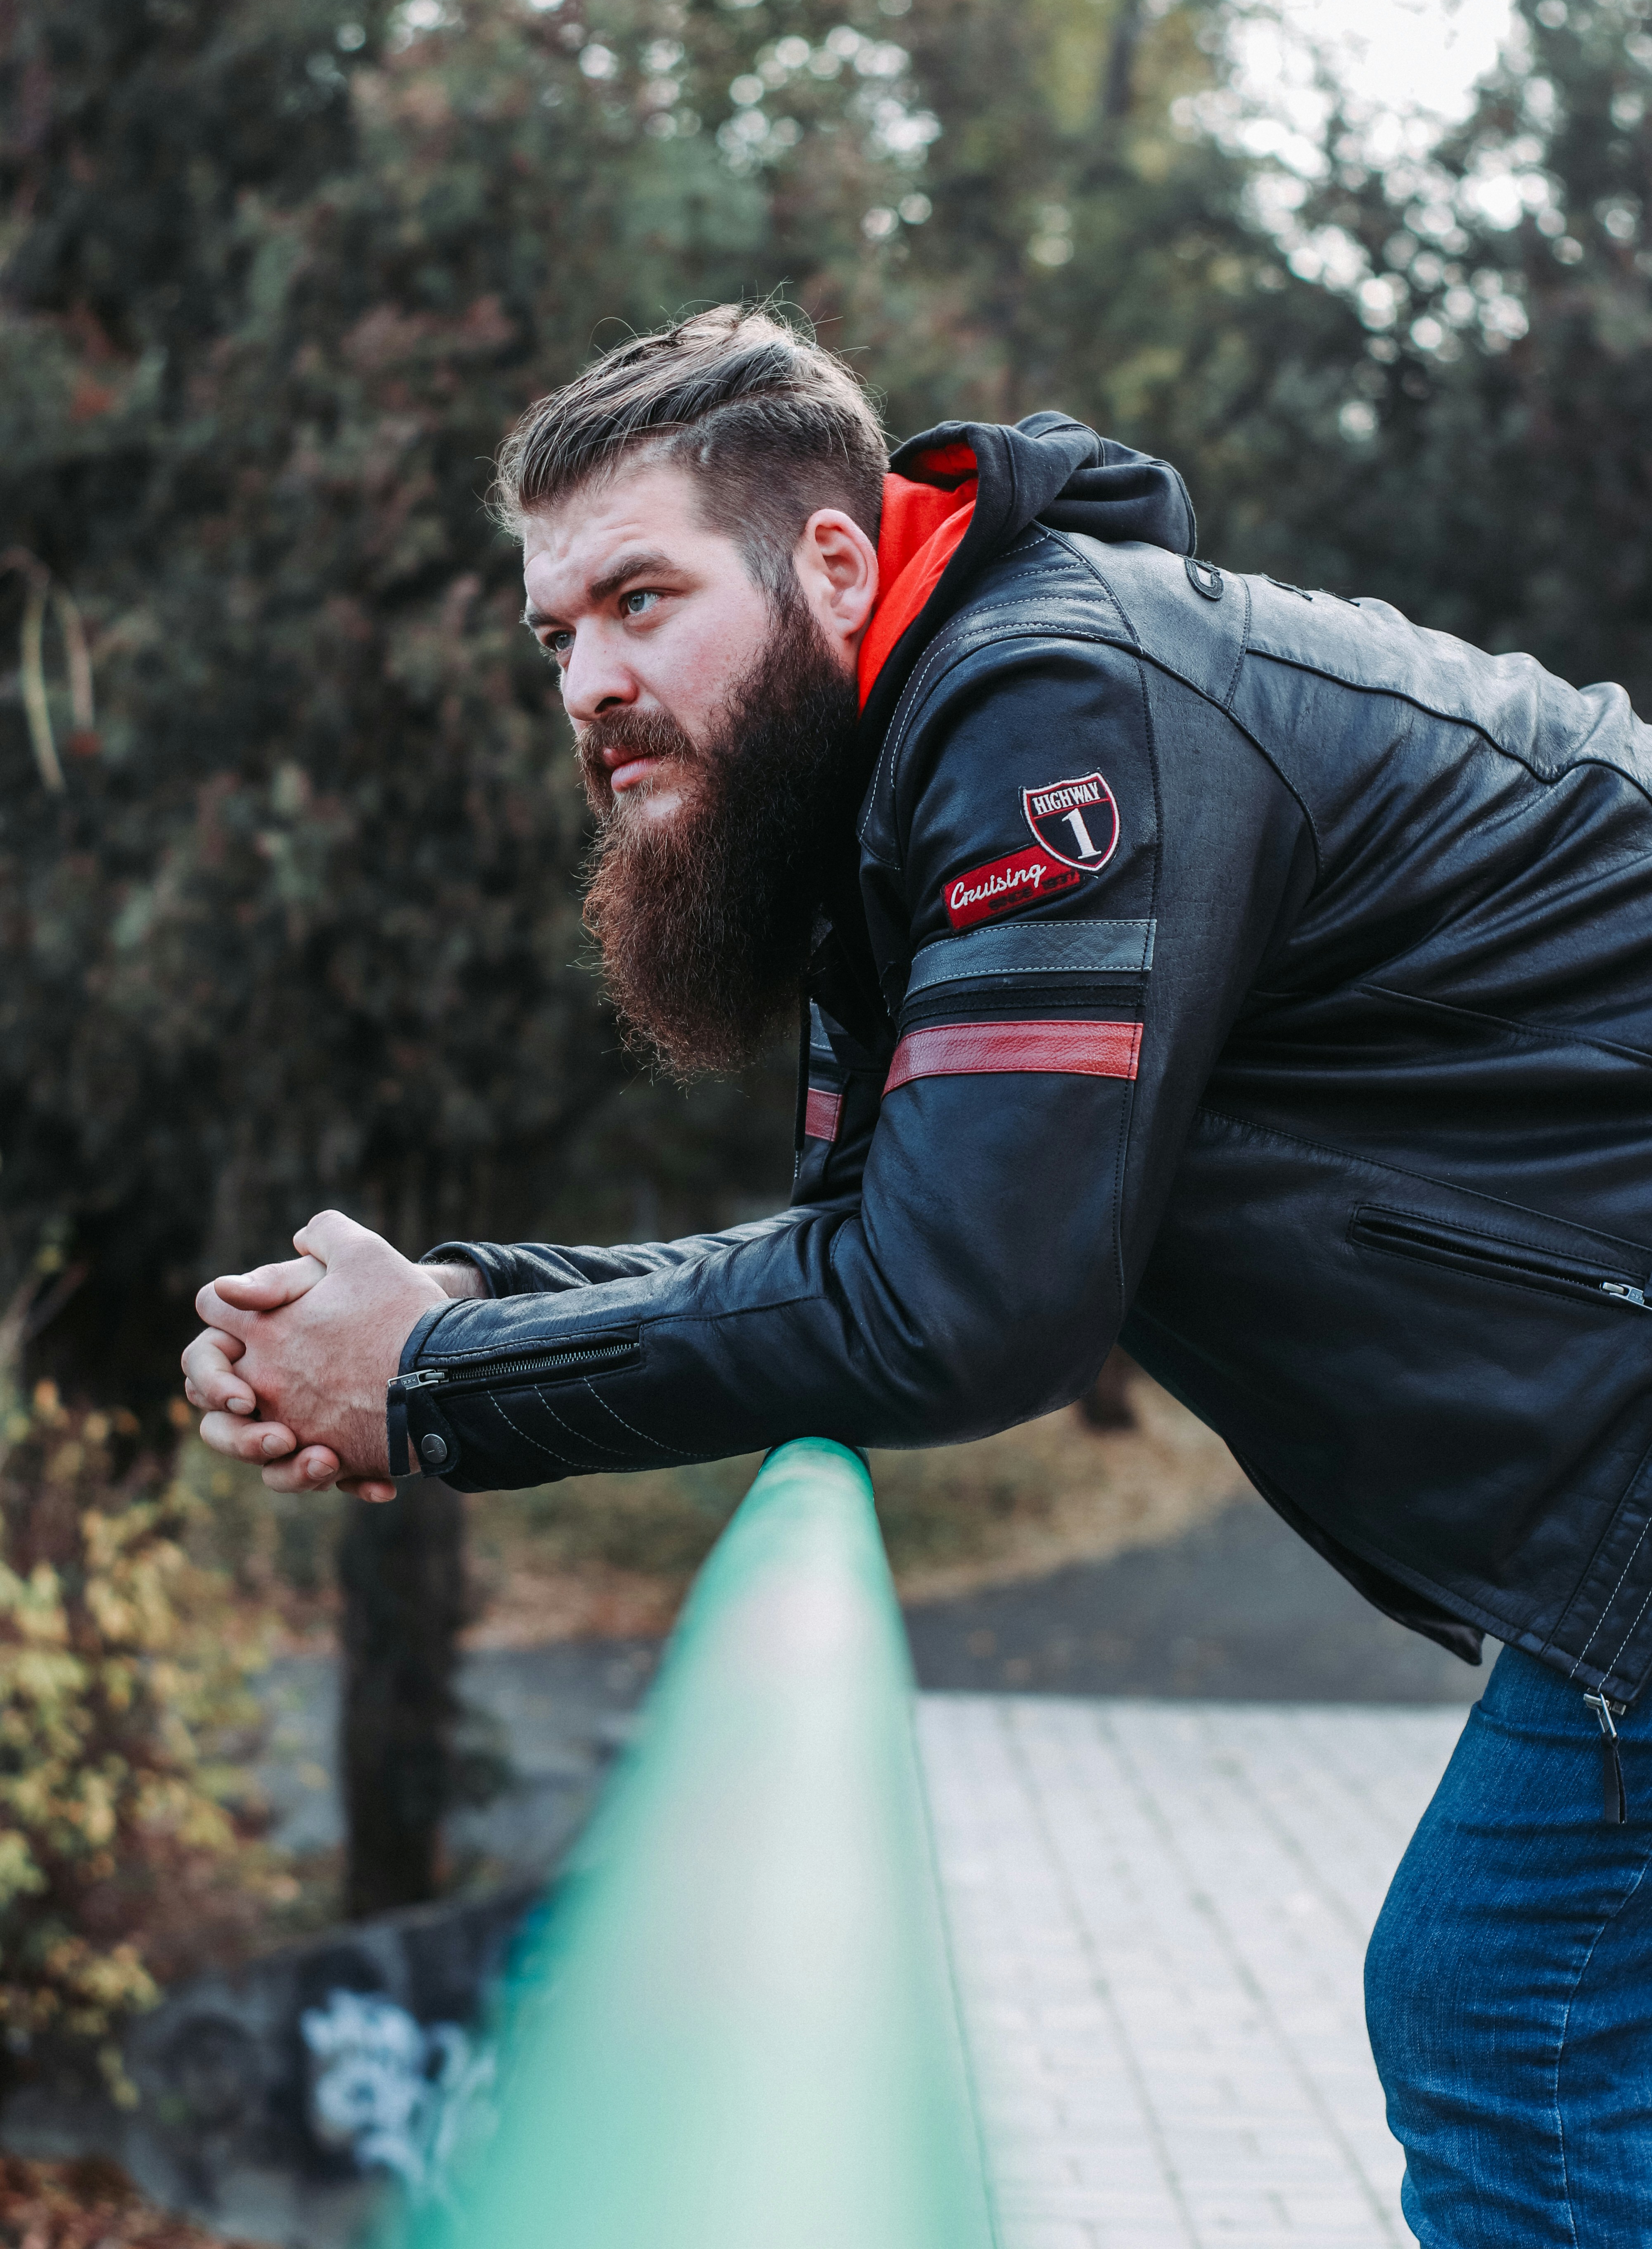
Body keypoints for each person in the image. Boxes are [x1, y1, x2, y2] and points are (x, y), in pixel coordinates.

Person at [184, 303, 1652, 2242]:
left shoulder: (1048, 714)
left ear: (832, 559)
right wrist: (456, 1304)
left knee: (1504, 2021)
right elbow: (885, 1239)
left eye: (641, 599)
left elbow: (961, 1312)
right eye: (557, 634)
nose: (588, 682)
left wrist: (436, 1386)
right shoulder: (909, 745)